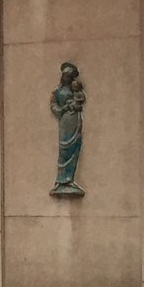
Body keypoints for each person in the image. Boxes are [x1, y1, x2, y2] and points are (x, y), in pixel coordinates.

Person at [49, 62, 85, 196]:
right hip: (65, 121)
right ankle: (61, 180)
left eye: (69, 76)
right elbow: (53, 106)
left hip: (75, 120)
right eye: (65, 75)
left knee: (75, 147)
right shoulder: (57, 92)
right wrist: (62, 109)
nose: (67, 78)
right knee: (64, 149)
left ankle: (69, 179)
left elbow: (80, 102)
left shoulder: (76, 90)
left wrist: (75, 105)